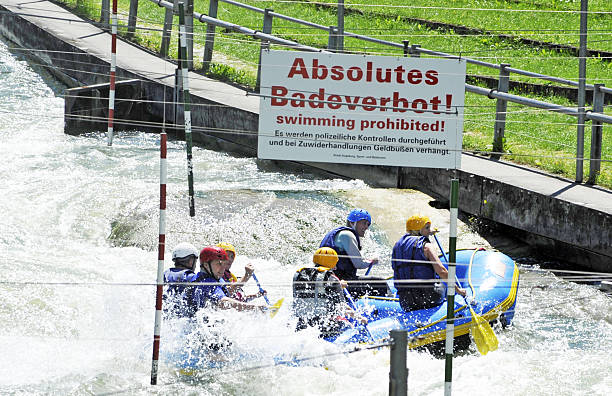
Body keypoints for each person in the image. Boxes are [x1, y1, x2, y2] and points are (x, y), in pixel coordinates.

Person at [392, 215, 466, 312]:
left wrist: (429, 231)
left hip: (406, 301)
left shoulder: (397, 247)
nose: (429, 230)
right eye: (427, 228)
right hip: (429, 298)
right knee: (443, 284)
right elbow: (442, 271)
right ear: (418, 230)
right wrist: (458, 290)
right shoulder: (427, 246)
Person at [292, 247, 367, 338]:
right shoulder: (332, 279)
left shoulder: (300, 275)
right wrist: (361, 318)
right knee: (350, 326)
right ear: (332, 262)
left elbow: (315, 289)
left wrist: (338, 285)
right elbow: (342, 307)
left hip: (302, 325)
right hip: (324, 327)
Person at [319, 208, 387, 297]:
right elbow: (358, 264)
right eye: (363, 223)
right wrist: (372, 261)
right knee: (380, 283)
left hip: (332, 280)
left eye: (368, 224)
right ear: (352, 222)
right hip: (339, 282)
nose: (366, 227)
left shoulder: (341, 234)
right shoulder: (347, 235)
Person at [192, 246, 269, 314]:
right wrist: (255, 308)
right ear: (206, 265)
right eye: (219, 264)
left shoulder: (217, 278)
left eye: (224, 264)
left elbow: (228, 292)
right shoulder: (206, 282)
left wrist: (255, 296)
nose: (223, 268)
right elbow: (224, 302)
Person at [163, 242, 200, 318]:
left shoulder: (164, 274)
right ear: (190, 261)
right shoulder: (190, 276)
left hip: (165, 316)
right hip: (184, 321)